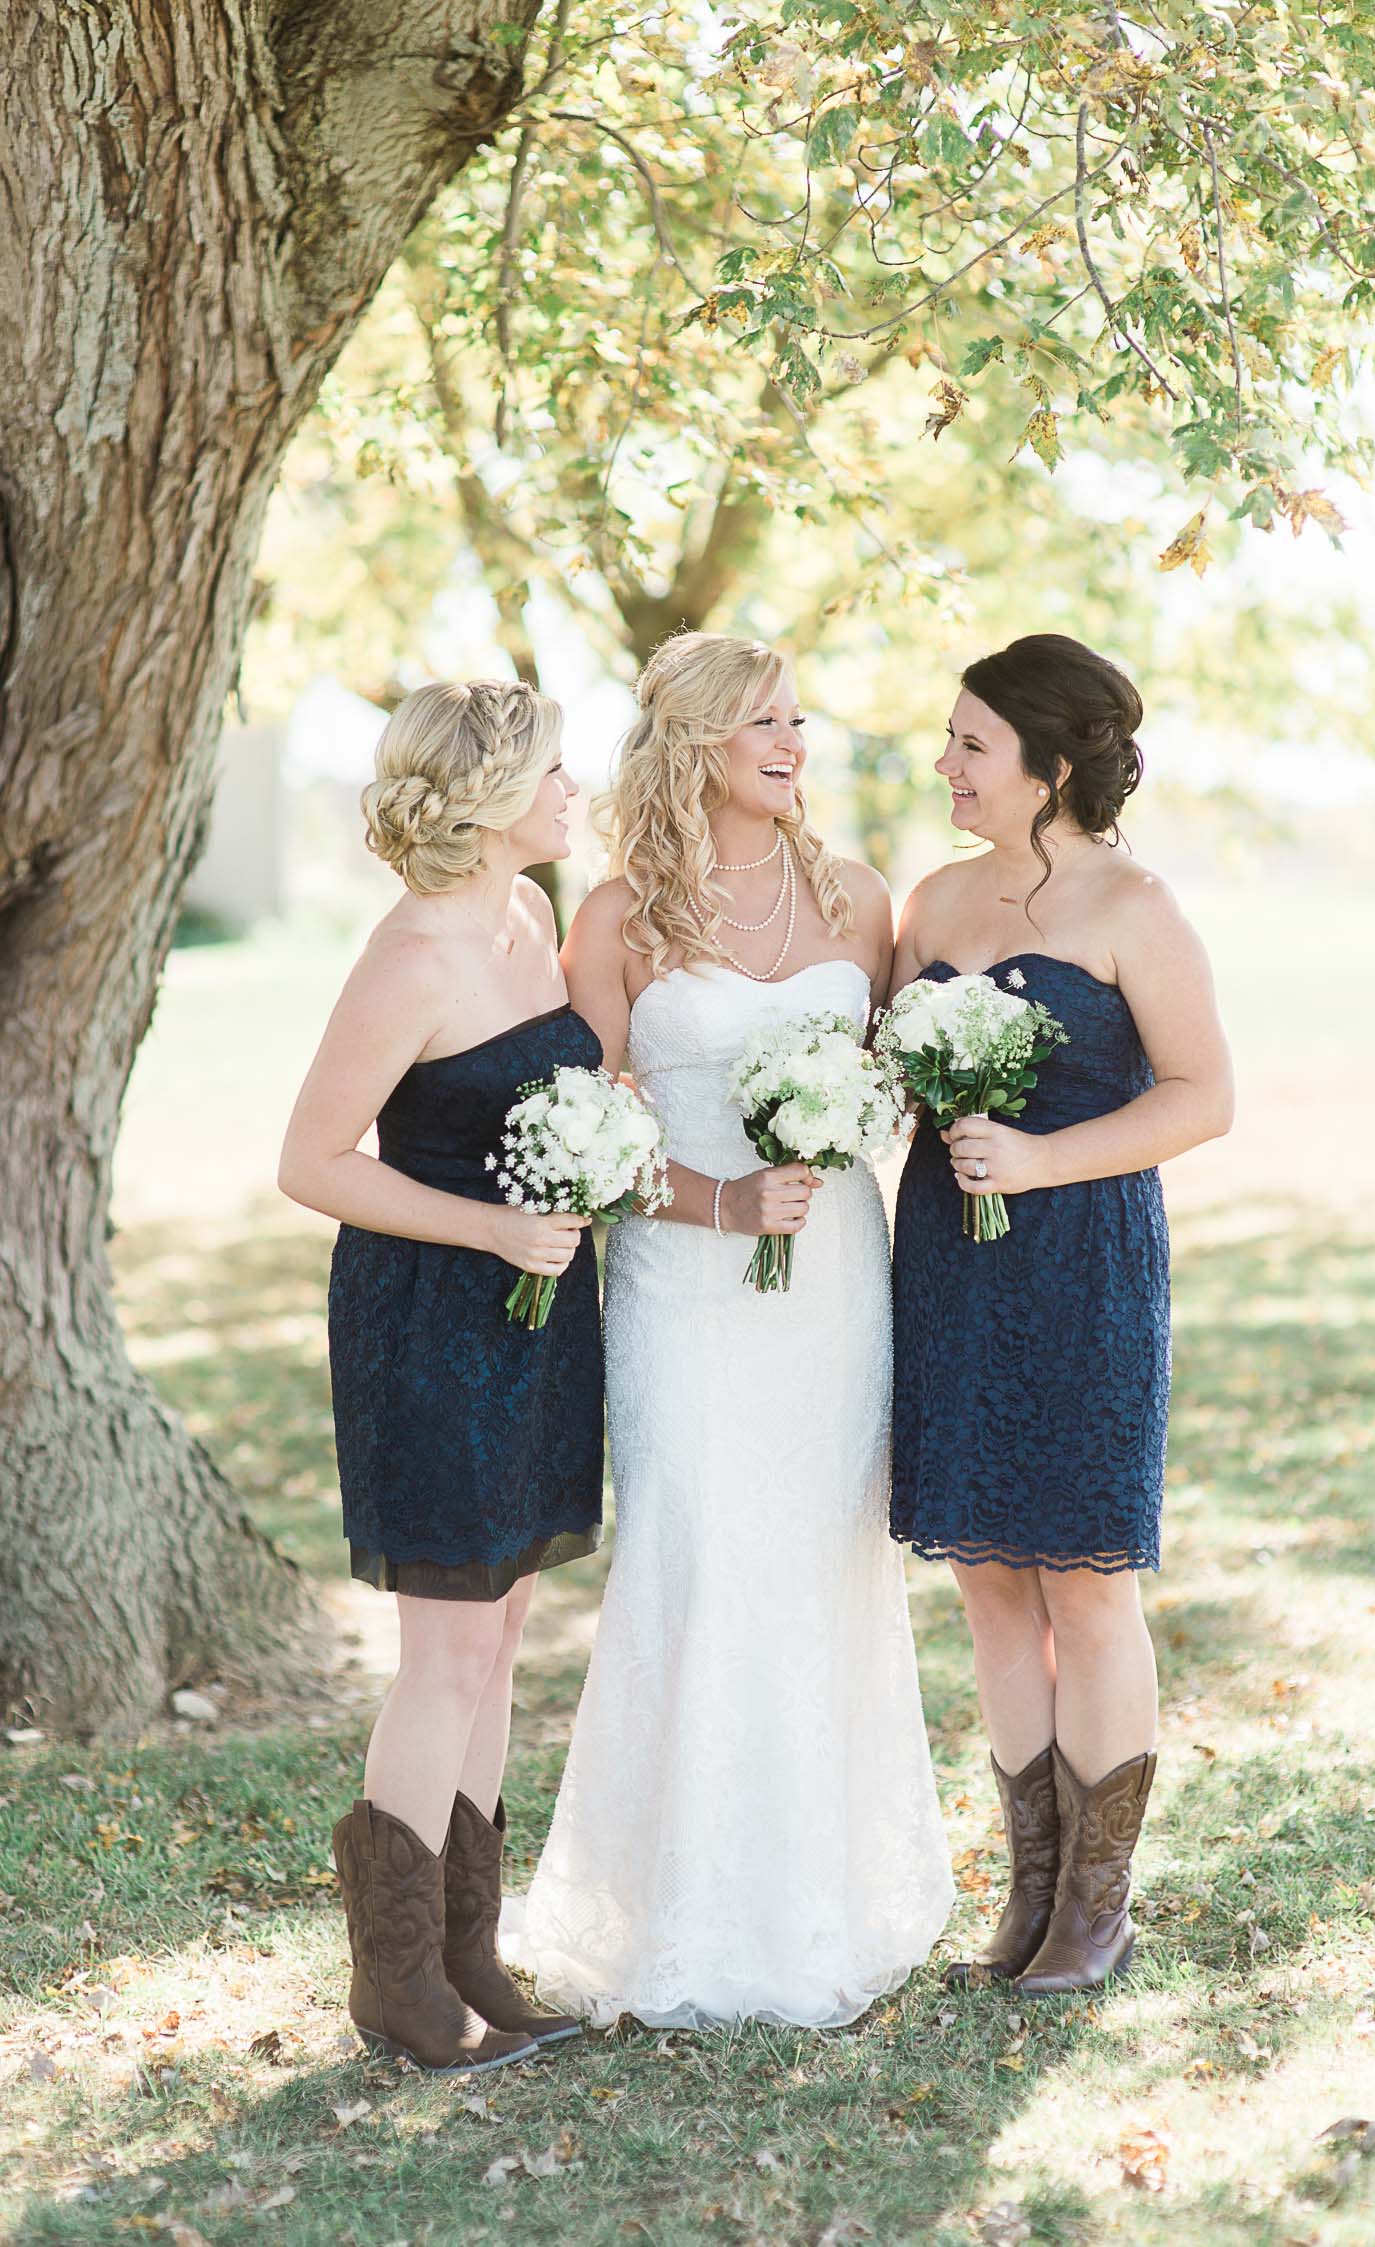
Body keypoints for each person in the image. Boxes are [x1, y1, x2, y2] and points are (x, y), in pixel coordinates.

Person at [514, 630, 954, 2027]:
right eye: (766, 721)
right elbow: (588, 1137)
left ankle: (824, 1904)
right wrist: (717, 1196)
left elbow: (890, 1093)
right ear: (697, 740)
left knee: (819, 1563)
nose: (794, 743)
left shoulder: (860, 899)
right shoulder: (619, 914)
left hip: (828, 1288)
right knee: (699, 1556)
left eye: (799, 720)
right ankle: (675, 1919)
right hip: (680, 1293)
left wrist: (853, 1132)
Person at [889, 633, 1233, 1995]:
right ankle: (1026, 1889)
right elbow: (884, 1071)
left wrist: (1038, 1158)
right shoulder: (930, 902)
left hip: (1083, 1261)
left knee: (1086, 1585)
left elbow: (1202, 1096)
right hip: (949, 1266)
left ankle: (1095, 1907)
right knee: (987, 1581)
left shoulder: (1134, 907)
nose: (947, 764)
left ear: (1053, 767)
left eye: (973, 745)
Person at [279, 679, 603, 2071]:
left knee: (508, 1627)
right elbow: (313, 1161)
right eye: (553, 772)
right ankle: (397, 1980)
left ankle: (470, 1949)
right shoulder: (412, 957)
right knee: (448, 1648)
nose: (575, 790)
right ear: (483, 804)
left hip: (540, 1315)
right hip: (430, 1319)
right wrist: (491, 1226)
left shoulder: (530, 918)